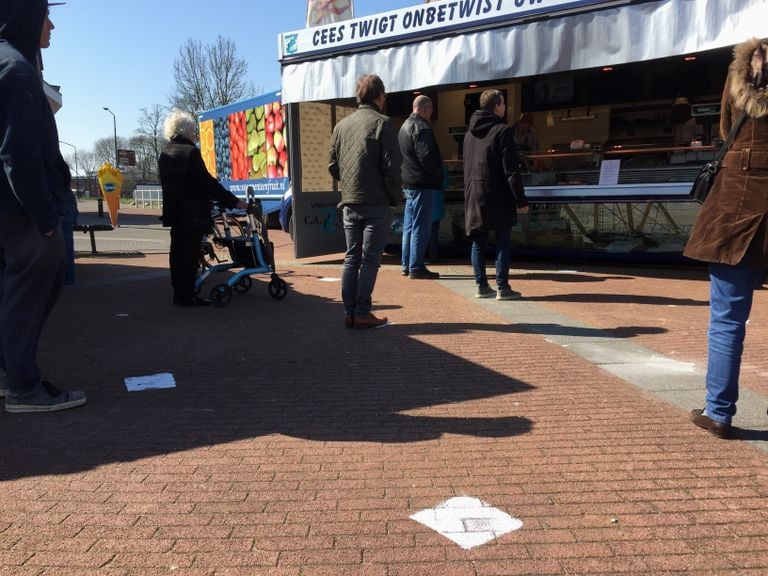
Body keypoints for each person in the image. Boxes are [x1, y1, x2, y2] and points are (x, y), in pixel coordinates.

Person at [0, 0, 87, 412]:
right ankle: (23, 388)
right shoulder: (17, 71)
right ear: (26, 17)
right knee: (31, 296)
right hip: (24, 215)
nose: (50, 25)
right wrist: (45, 219)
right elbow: (19, 153)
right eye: (44, 15)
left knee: (13, 294)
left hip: (10, 211)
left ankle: (9, 374)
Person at [684, 37, 768, 439]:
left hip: (736, 199)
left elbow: (723, 130)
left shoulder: (737, 73)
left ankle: (719, 412)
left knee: (727, 318)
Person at [329, 74, 402, 329]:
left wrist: (349, 183)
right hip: (376, 202)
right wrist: (395, 197)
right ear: (380, 96)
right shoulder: (383, 123)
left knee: (351, 257)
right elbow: (392, 168)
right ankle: (361, 312)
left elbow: (333, 165)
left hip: (350, 201)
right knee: (371, 259)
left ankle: (349, 312)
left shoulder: (341, 126)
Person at [158, 109, 246, 307]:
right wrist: (234, 201)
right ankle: (186, 296)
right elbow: (207, 183)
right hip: (192, 212)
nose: (195, 134)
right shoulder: (190, 152)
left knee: (177, 252)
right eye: (193, 130)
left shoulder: (166, 151)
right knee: (189, 255)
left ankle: (178, 292)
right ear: (186, 130)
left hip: (174, 212)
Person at [463, 89, 529, 301]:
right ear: (496, 106)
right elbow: (511, 169)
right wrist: (520, 199)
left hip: (475, 193)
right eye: (503, 103)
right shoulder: (503, 131)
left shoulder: (469, 134)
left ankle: (482, 285)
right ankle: (503, 286)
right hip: (498, 194)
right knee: (503, 239)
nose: (505, 107)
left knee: (478, 241)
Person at [399, 95, 444, 279]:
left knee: (409, 226)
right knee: (421, 226)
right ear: (425, 108)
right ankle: (416, 266)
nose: (432, 113)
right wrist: (438, 175)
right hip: (422, 183)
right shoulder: (422, 127)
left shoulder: (404, 126)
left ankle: (407, 264)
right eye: (431, 109)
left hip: (408, 182)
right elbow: (427, 157)